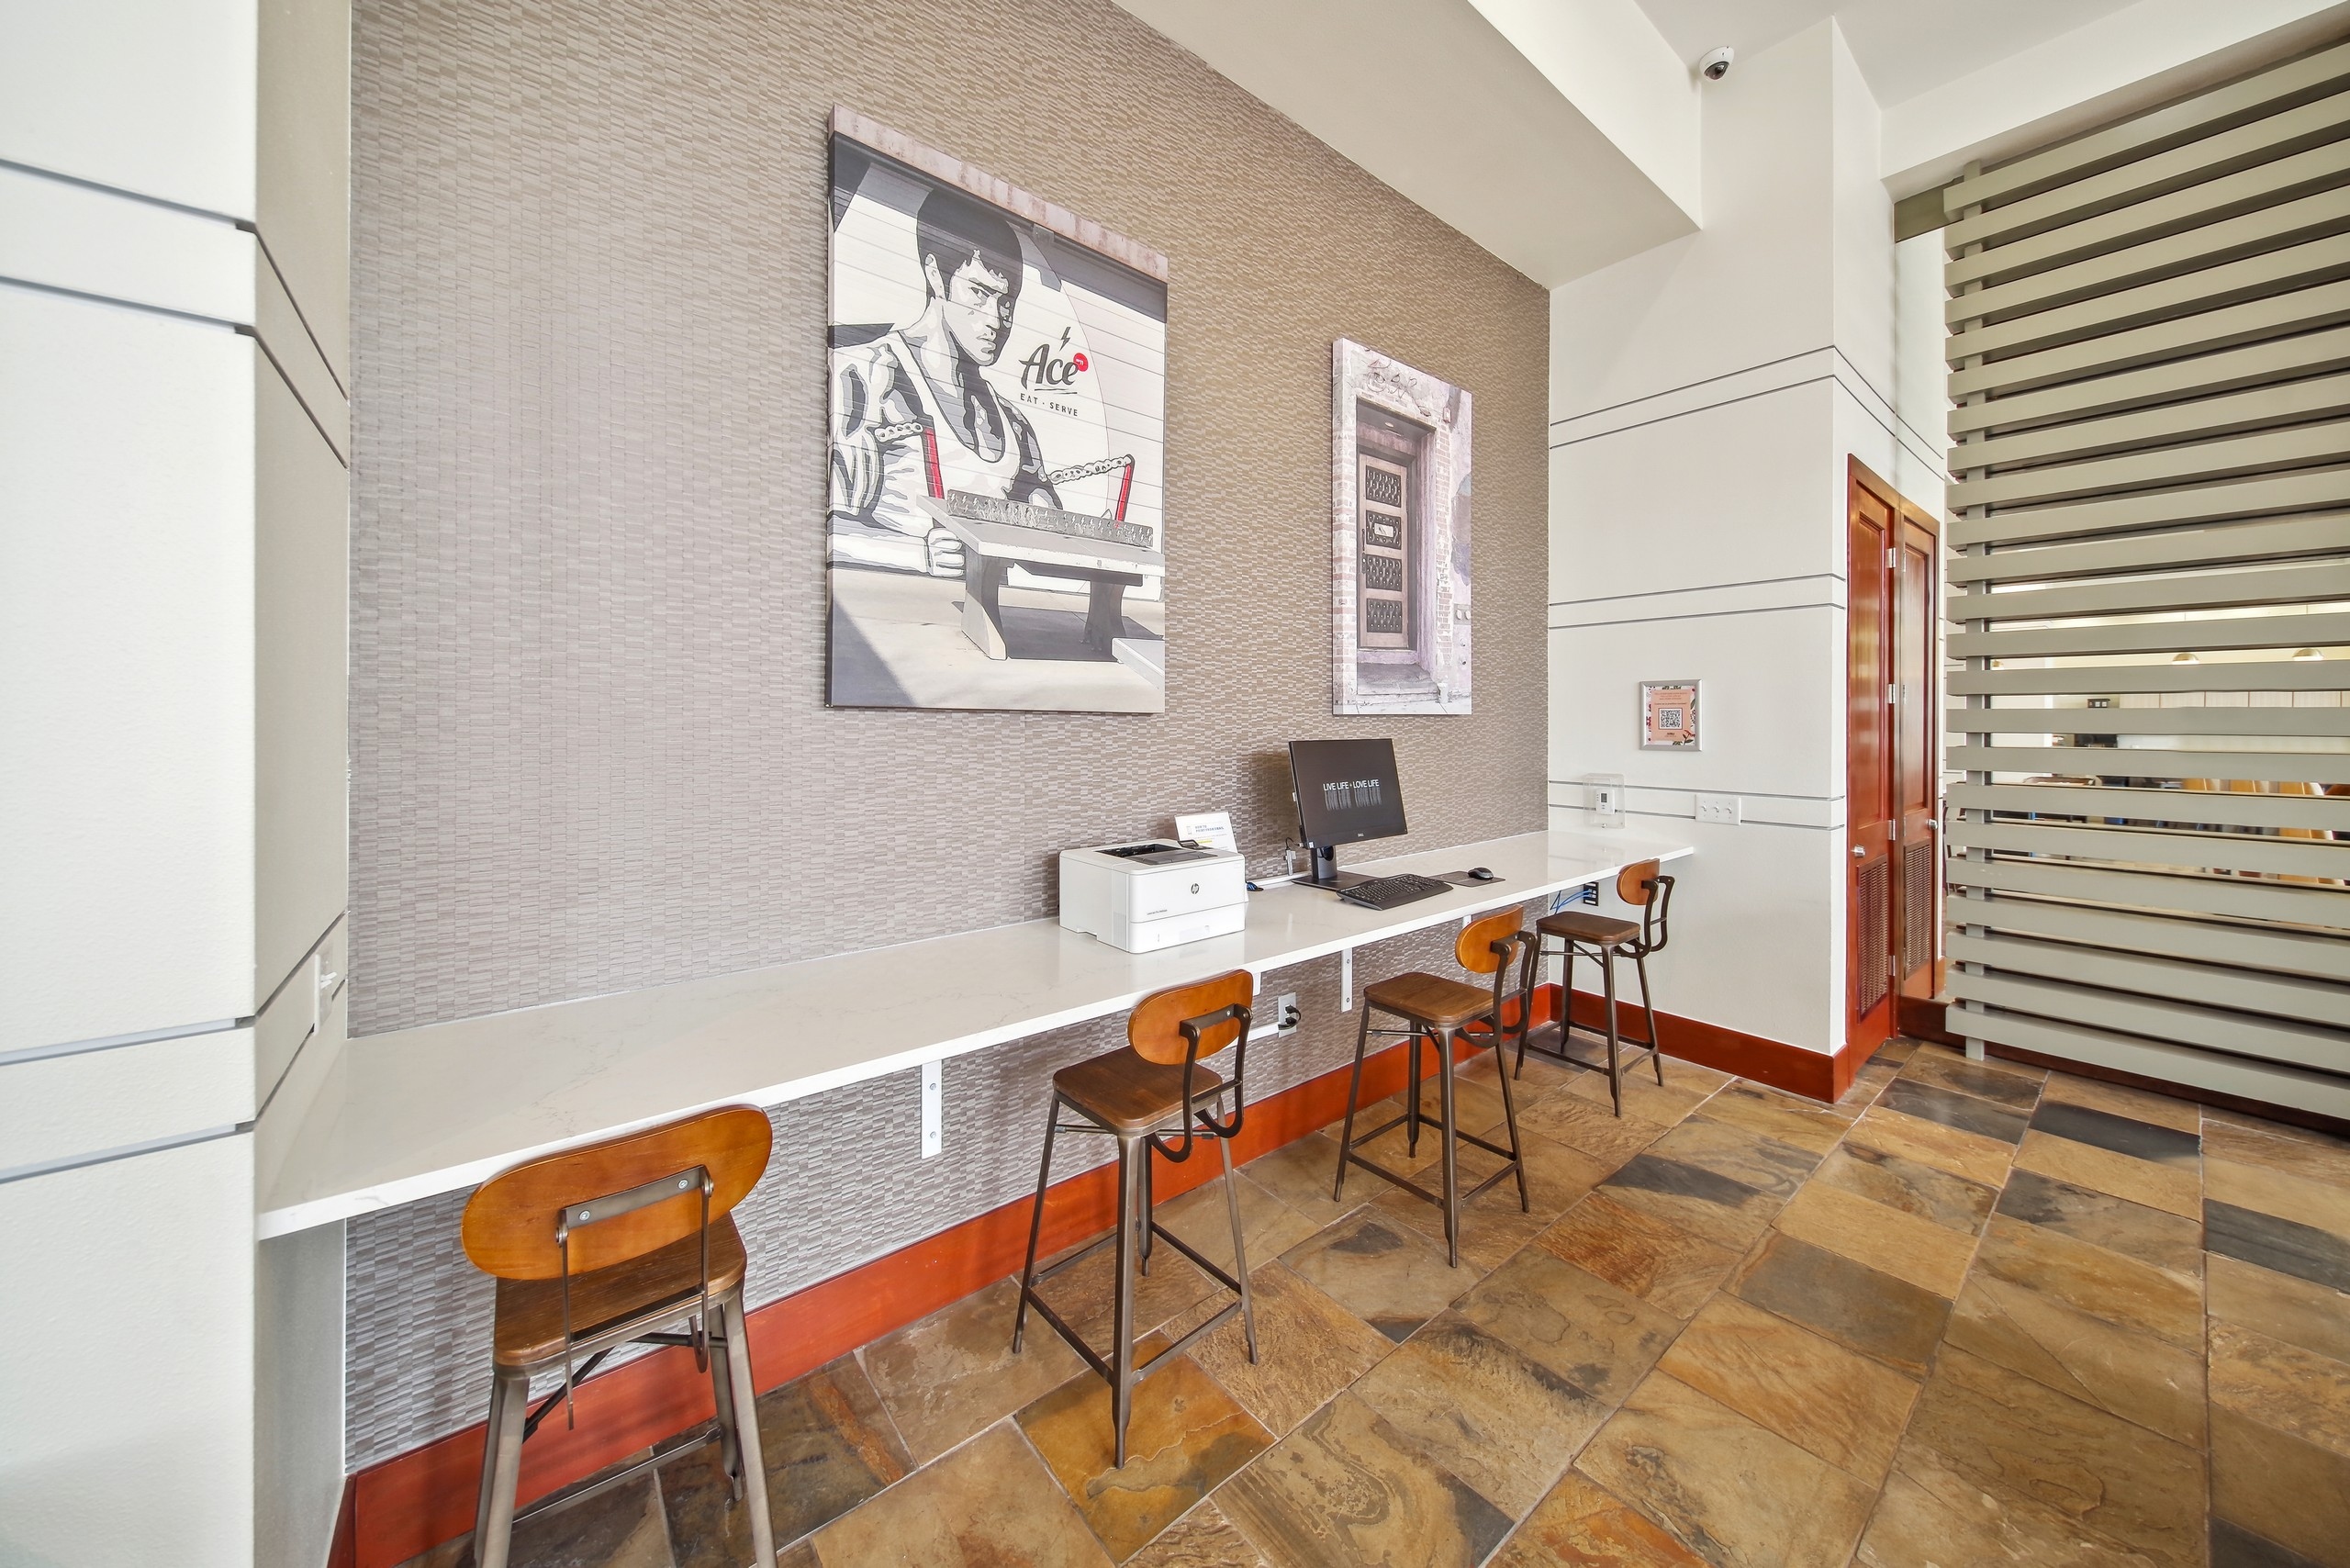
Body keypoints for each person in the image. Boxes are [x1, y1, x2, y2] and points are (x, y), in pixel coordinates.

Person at [830, 187, 1061, 577]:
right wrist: (917, 554)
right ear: (936, 274)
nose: (996, 319)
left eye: (1008, 303)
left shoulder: (1013, 423)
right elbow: (828, 528)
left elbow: (1044, 540)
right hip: (899, 622)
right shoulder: (864, 375)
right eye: (980, 293)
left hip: (994, 626)